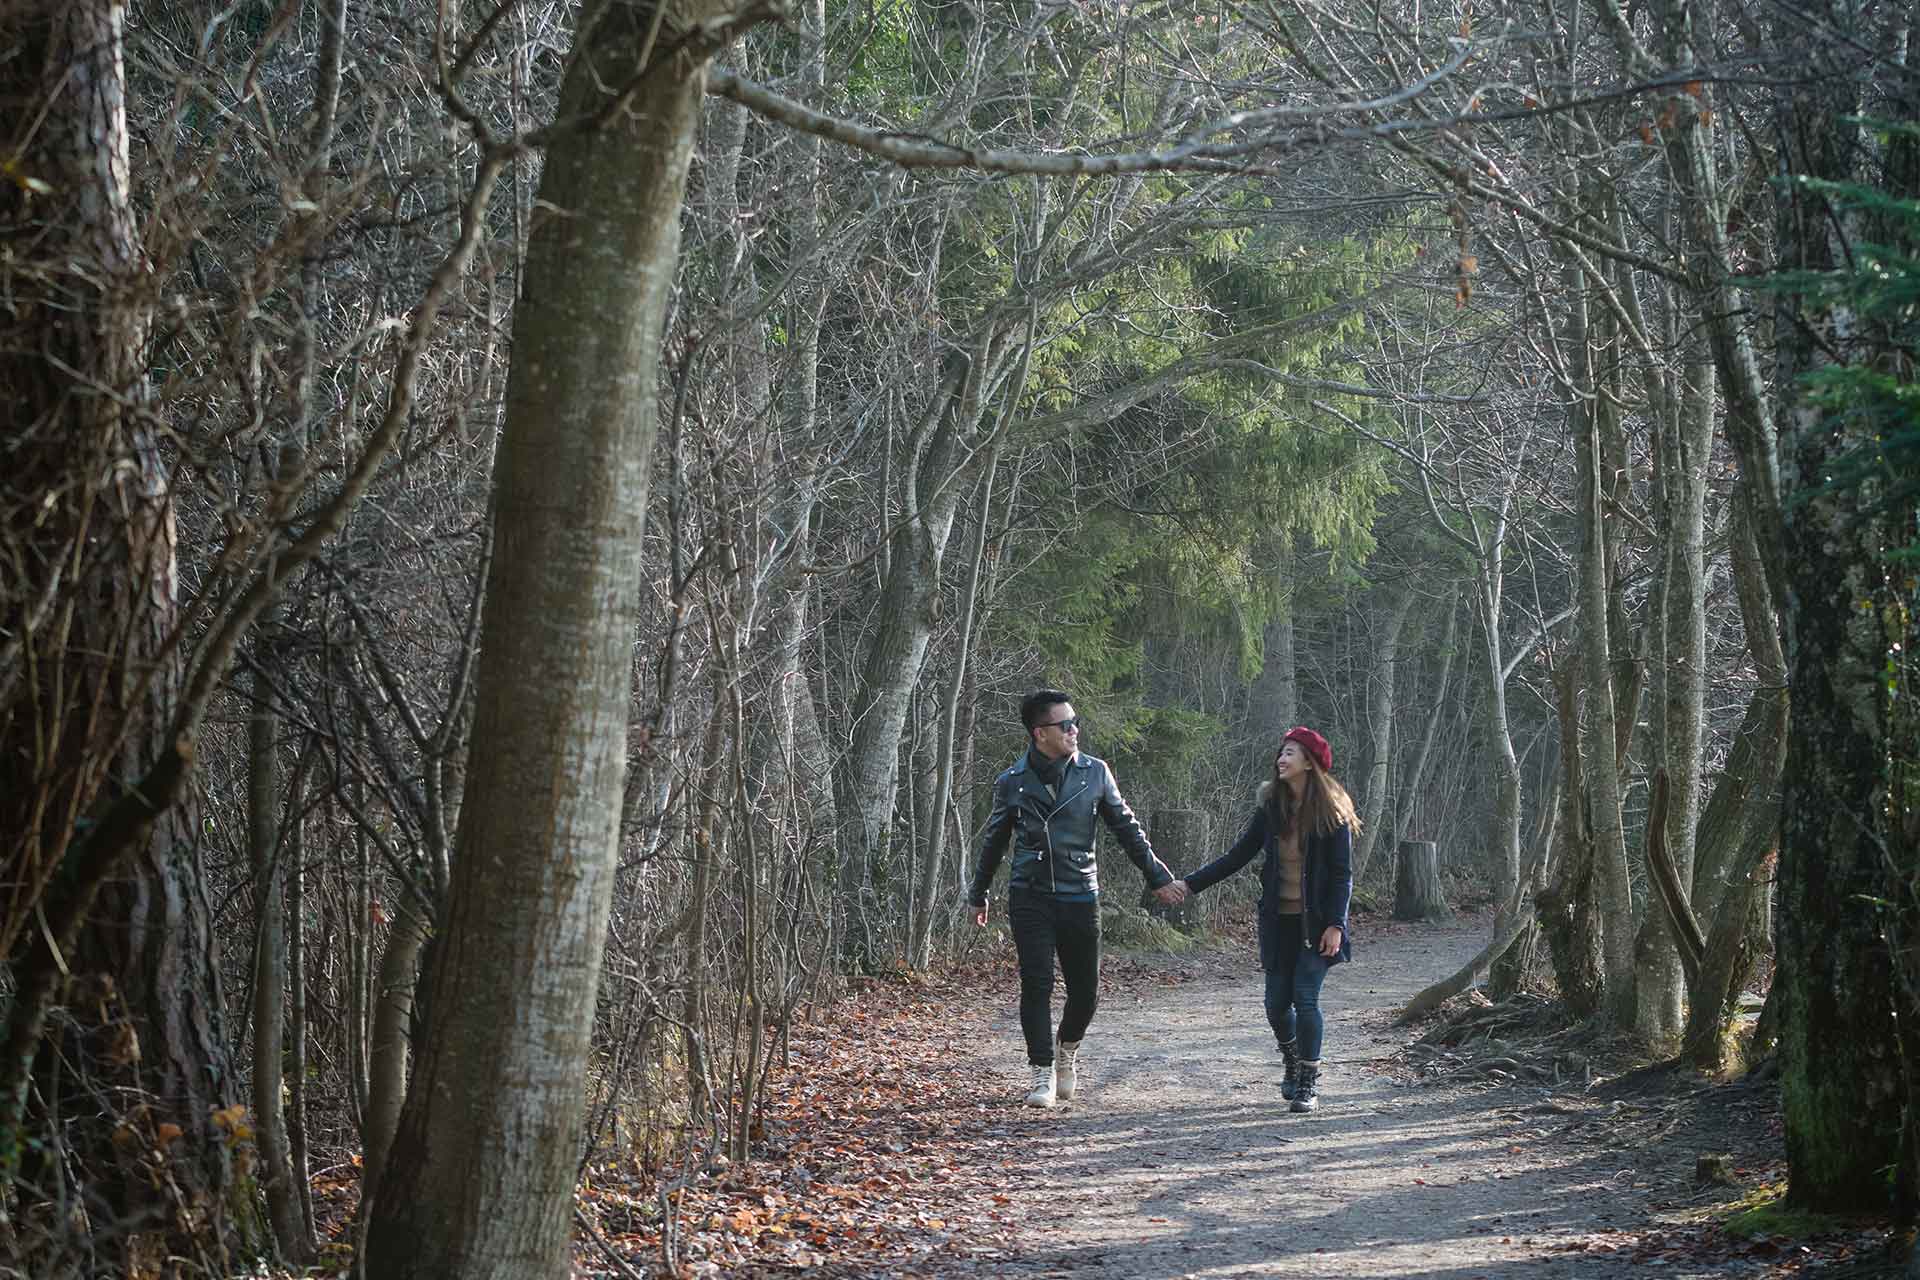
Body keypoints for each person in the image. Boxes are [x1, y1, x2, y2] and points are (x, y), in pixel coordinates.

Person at [970, 689, 1188, 1108]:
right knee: (1036, 983)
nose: (1074, 730)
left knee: (1085, 992)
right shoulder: (1012, 782)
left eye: (1075, 722)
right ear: (1040, 734)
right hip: (1030, 894)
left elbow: (1128, 829)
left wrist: (1158, 877)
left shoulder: (1095, 773)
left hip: (1080, 894)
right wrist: (978, 893)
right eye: (1064, 725)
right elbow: (994, 842)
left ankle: (1067, 1050)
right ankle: (1041, 1072)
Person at [1170, 726, 1356, 1113]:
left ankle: (1308, 1081)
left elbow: (1342, 875)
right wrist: (1189, 885)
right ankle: (1291, 1060)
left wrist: (1336, 924)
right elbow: (1237, 856)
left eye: (1290, 753)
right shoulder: (1271, 808)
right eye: (1281, 752)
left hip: (1317, 925)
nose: (1281, 759)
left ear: (1309, 761)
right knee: (1275, 1005)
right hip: (1278, 923)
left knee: (1305, 998)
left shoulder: (1332, 815)